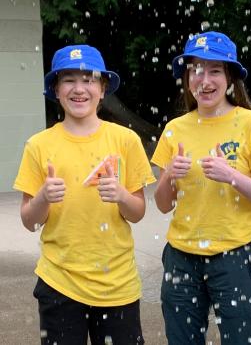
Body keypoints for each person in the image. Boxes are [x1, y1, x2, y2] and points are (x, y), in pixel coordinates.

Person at [14, 44, 156, 345]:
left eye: (89, 79)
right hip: (59, 283)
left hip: (117, 284)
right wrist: (42, 198)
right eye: (69, 80)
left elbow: (138, 212)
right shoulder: (38, 145)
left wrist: (121, 195)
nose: (79, 89)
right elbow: (29, 220)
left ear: (103, 89)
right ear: (55, 88)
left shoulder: (125, 140)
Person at [151, 31, 251, 344]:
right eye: (196, 69)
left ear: (231, 78)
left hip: (234, 254)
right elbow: (163, 204)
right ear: (186, 78)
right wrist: (169, 176)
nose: (203, 80)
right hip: (181, 257)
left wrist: (231, 175)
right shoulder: (174, 129)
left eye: (214, 71)